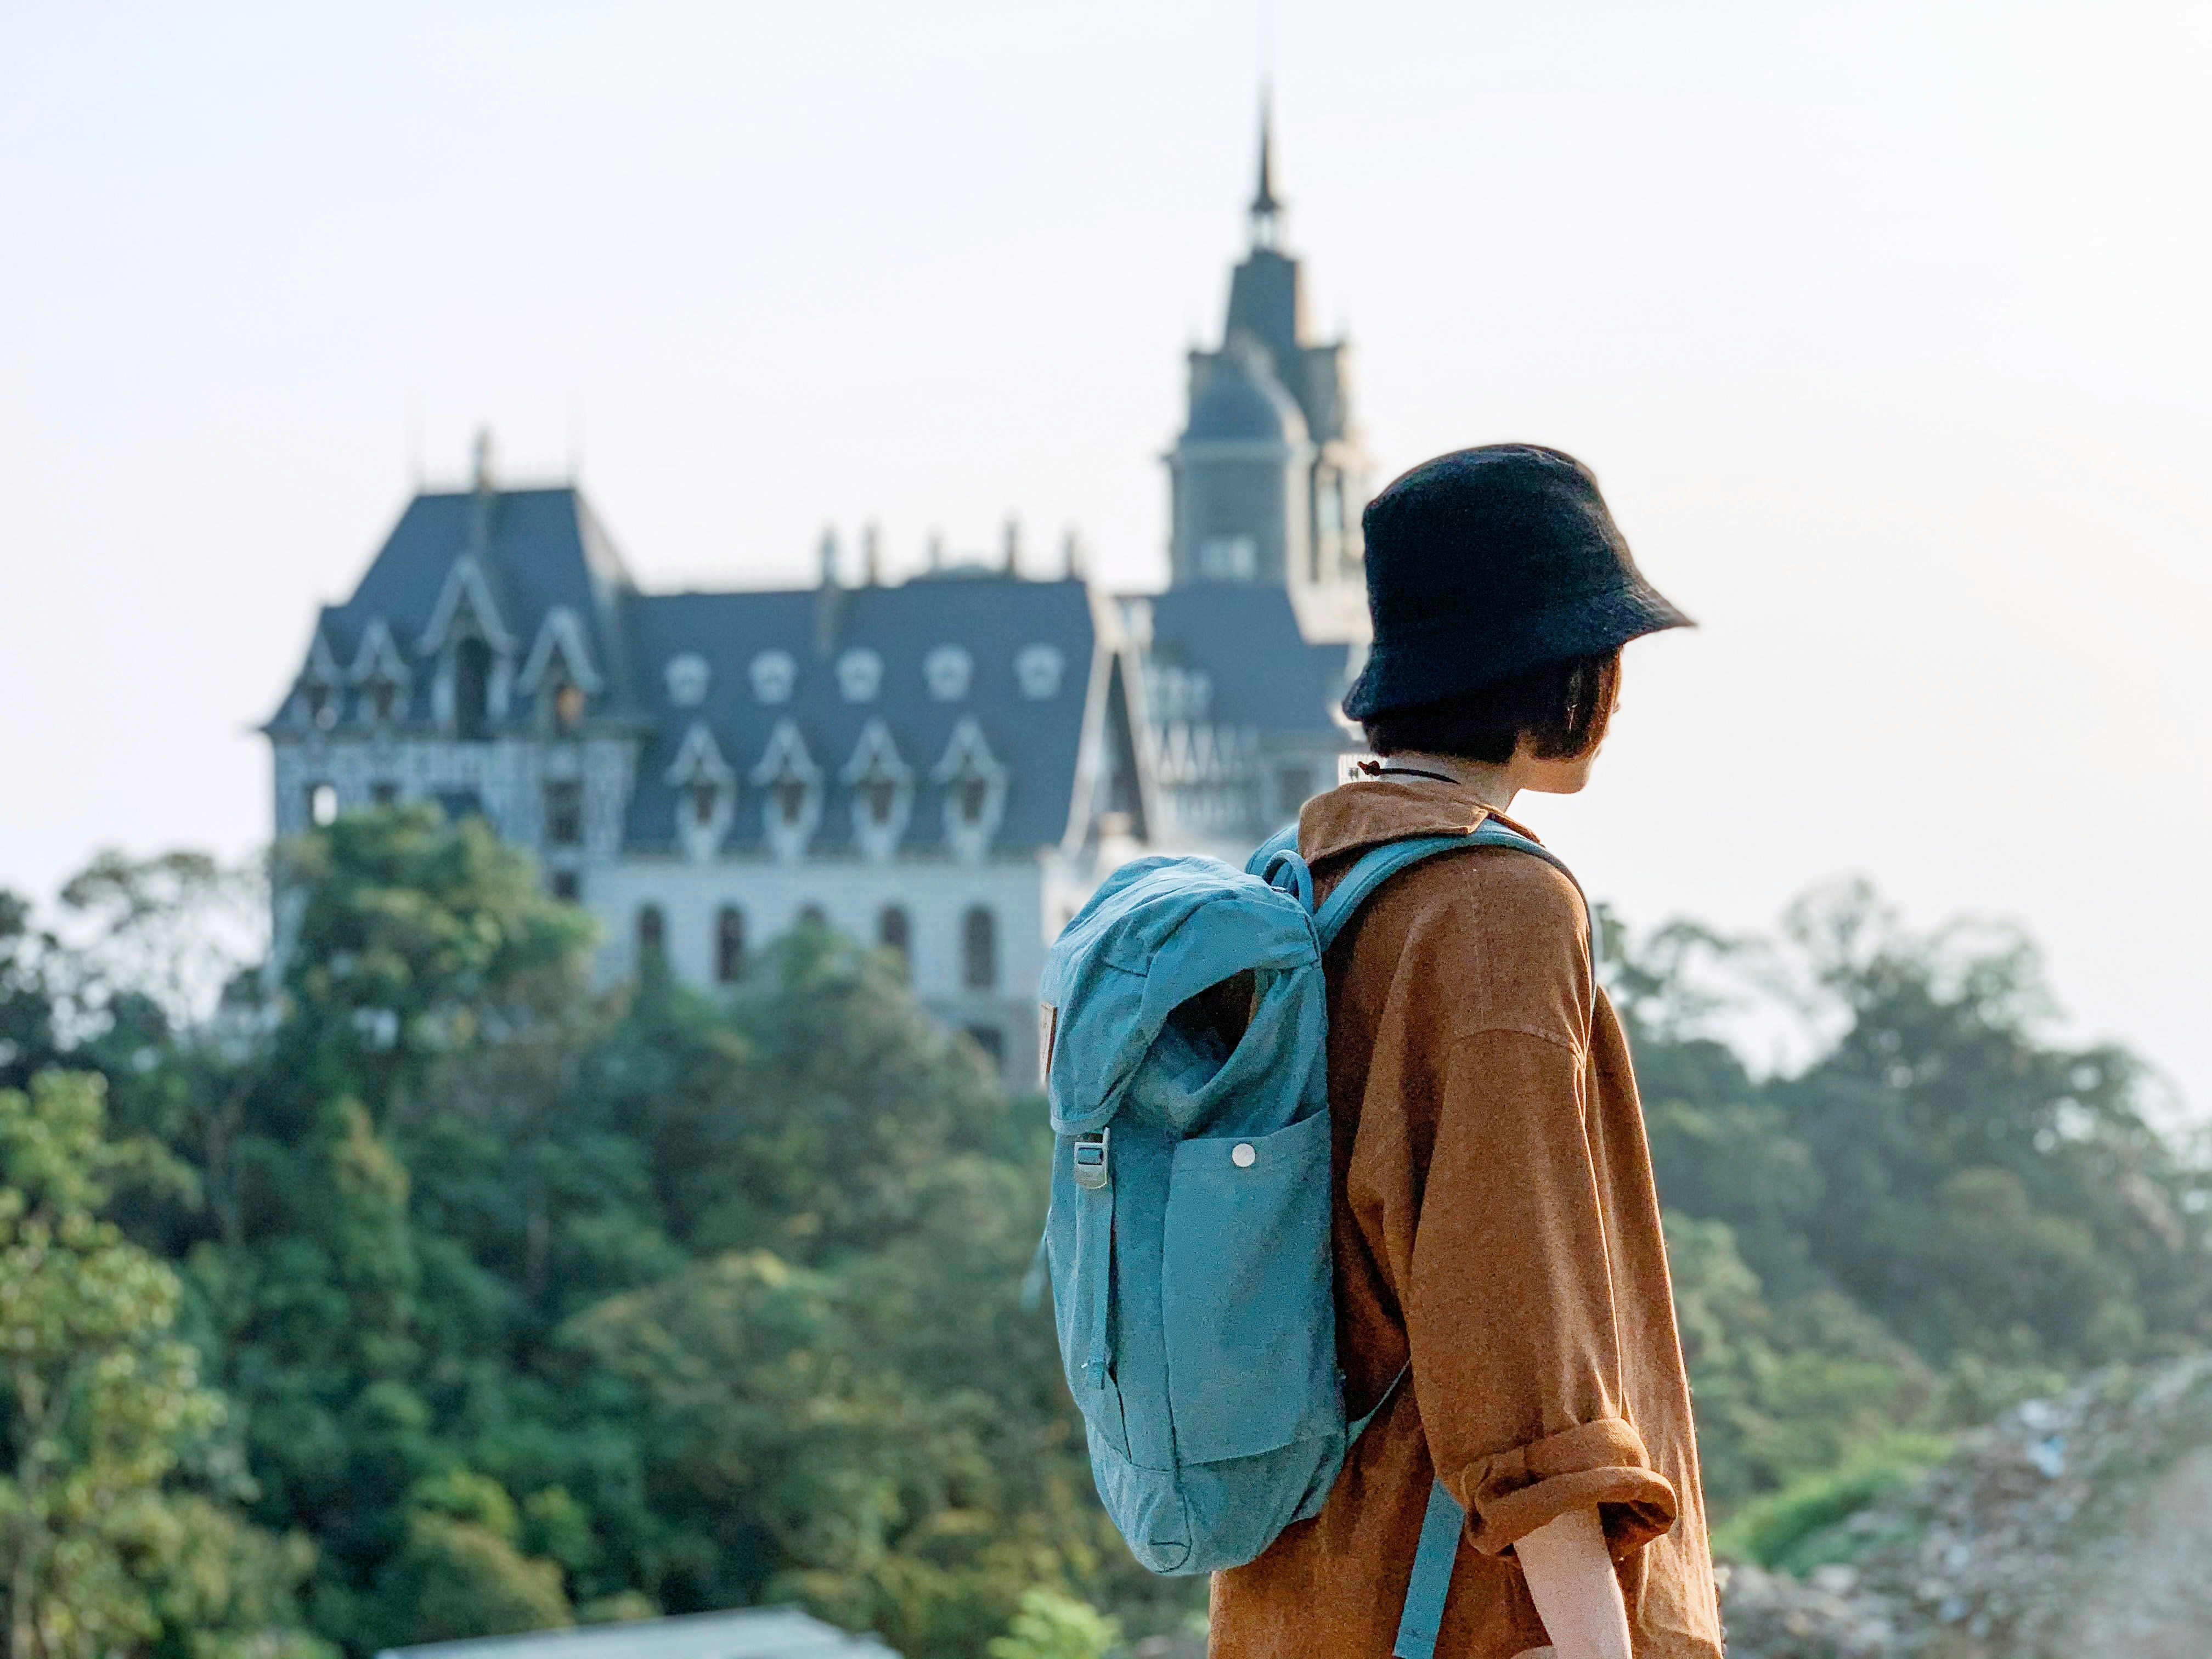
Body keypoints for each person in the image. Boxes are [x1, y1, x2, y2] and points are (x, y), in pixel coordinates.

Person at [1207, 446, 1724, 1659]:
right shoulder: (1495, 912)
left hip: (1300, 1597)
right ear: (1553, 671)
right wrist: (1602, 1641)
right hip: (1475, 1614)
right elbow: (1514, 1332)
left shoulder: (1305, 887)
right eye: (1608, 654)